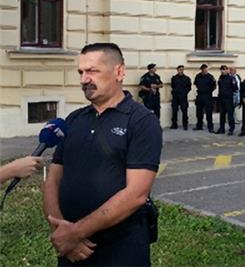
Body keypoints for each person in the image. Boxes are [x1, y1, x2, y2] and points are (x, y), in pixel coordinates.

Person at [43, 43, 162, 266]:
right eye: (81, 72)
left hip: (120, 248)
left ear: (119, 72)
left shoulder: (142, 121)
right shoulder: (74, 120)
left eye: (92, 71)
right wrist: (61, 231)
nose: (84, 80)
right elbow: (53, 179)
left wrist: (76, 233)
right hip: (71, 249)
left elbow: (136, 193)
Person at [193, 64, 216, 133]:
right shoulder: (198, 76)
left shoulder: (210, 77)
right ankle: (199, 126)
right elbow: (195, 84)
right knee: (199, 112)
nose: (205, 71)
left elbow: (214, 86)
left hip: (208, 96)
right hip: (200, 96)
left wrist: (209, 90)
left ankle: (210, 127)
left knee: (209, 112)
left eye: (206, 69)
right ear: (201, 70)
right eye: (204, 70)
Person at [218, 65, 238, 135]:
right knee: (222, 115)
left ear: (227, 70)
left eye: (224, 70)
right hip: (221, 99)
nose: (222, 71)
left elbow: (235, 88)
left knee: (230, 115)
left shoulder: (231, 78)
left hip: (229, 99)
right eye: (221, 70)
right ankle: (221, 129)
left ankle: (231, 129)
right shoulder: (220, 78)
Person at [170, 65, 191, 130]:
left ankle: (185, 125)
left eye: (182, 70)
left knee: (184, 111)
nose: (181, 71)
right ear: (177, 70)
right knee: (174, 111)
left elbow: (189, 87)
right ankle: (174, 124)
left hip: (183, 97)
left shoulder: (187, 78)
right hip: (175, 97)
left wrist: (184, 92)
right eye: (180, 70)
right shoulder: (174, 78)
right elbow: (172, 86)